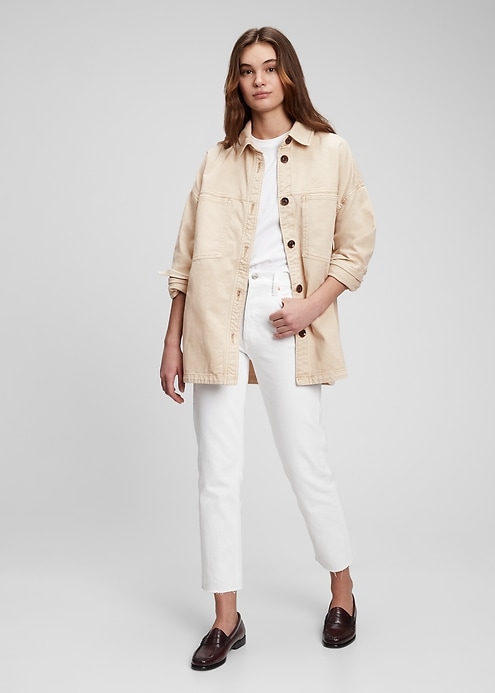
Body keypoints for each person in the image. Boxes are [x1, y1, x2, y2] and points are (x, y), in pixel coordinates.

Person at [159, 26, 376, 671]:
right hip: (215, 317)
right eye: (247, 69)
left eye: (269, 67)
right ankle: (226, 618)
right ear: (236, 82)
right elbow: (184, 259)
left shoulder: (330, 151)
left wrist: (312, 306)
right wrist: (172, 340)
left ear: (288, 76)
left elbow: (356, 245)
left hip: (290, 316)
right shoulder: (216, 159)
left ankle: (343, 592)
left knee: (306, 460)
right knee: (217, 473)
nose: (258, 79)